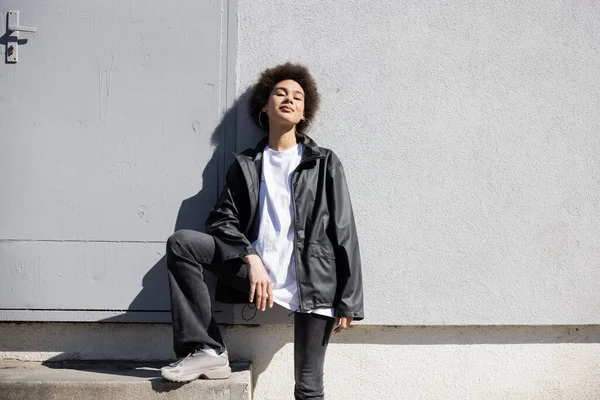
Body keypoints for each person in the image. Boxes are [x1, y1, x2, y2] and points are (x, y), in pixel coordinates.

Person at [160, 62, 364, 399]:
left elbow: (344, 230)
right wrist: (251, 258)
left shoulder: (323, 161)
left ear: (303, 113)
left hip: (314, 280)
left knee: (309, 386)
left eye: (297, 96)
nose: (289, 99)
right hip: (259, 275)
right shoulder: (247, 164)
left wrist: (349, 300)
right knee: (183, 244)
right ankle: (208, 350)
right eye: (280, 93)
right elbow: (222, 219)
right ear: (265, 106)